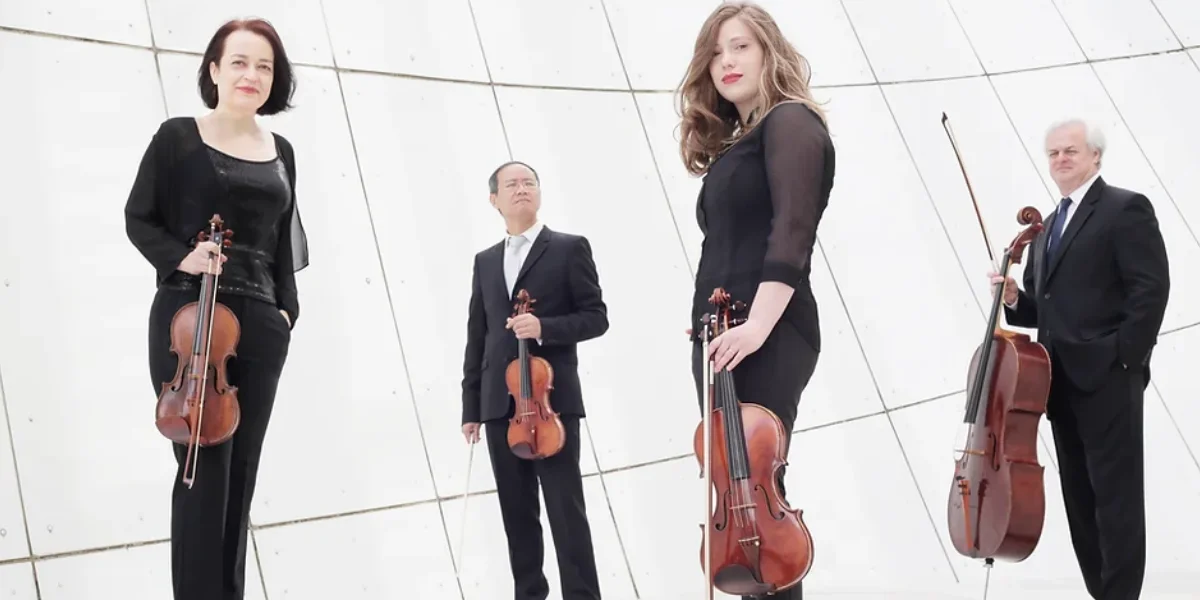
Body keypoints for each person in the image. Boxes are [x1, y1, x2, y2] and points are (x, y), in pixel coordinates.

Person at [124, 17, 309, 600]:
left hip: (260, 324)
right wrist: (184, 257)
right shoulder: (177, 137)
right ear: (213, 69)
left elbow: (283, 244)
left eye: (264, 66)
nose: (251, 74)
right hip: (192, 319)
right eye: (239, 62)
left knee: (241, 475)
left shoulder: (281, 150)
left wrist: (286, 314)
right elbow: (137, 218)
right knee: (202, 472)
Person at [678, 2, 835, 599]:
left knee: (760, 501)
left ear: (770, 52)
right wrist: (706, 327)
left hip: (763, 330)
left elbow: (791, 235)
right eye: (716, 52)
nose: (727, 61)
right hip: (721, 334)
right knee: (737, 506)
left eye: (741, 46)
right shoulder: (740, 142)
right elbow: (726, 246)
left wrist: (756, 327)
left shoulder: (792, 122)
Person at [994, 117, 1169, 599]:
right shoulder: (1047, 227)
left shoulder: (1125, 208)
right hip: (1055, 385)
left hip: (1109, 378)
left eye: (1070, 151)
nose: (1060, 160)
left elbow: (1149, 290)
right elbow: (1043, 308)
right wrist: (1013, 298)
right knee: (1080, 500)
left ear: (1095, 156)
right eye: (1053, 153)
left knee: (1116, 500)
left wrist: (1125, 359)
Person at [459, 161, 608, 600]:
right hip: (499, 407)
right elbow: (478, 335)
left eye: (529, 182)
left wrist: (544, 328)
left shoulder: (568, 248)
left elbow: (596, 317)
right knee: (516, 516)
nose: (521, 189)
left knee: (566, 512)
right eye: (511, 184)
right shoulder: (485, 261)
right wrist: (472, 407)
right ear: (494, 199)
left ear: (539, 193)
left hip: (551, 404)